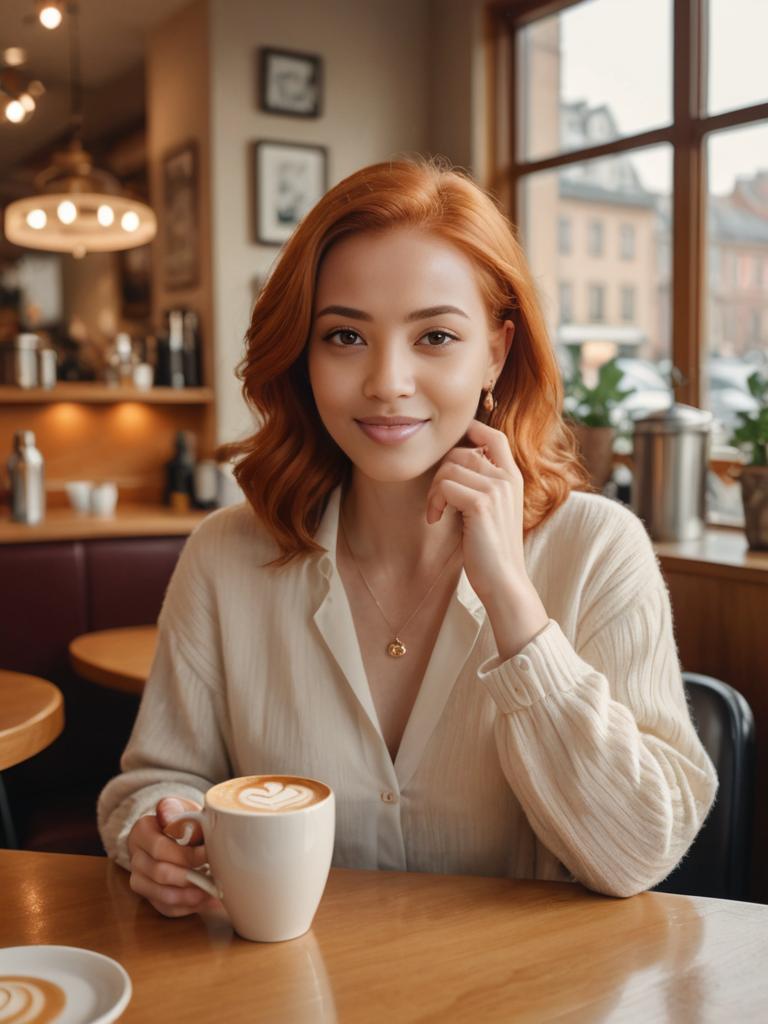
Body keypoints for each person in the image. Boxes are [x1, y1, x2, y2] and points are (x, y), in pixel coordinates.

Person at [97, 157, 718, 919]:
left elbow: (638, 854)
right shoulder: (225, 556)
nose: (387, 380)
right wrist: (156, 836)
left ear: (495, 350)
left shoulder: (599, 549)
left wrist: (514, 607)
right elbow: (154, 782)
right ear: (303, 354)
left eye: (434, 336)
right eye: (347, 335)